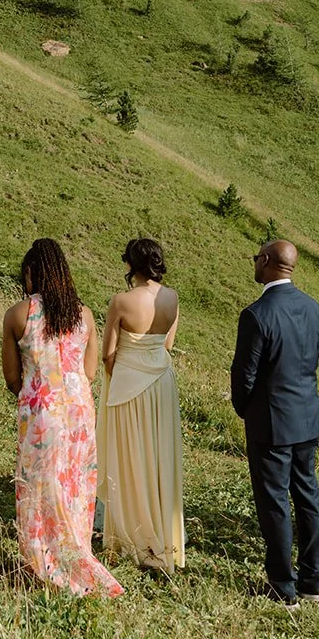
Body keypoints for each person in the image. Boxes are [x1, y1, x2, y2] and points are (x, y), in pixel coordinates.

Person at [1, 238, 122, 598]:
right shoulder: (82, 315)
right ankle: (76, 553)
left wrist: (35, 393)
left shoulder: (18, 313)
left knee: (40, 488)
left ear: (30, 273)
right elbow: (88, 369)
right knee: (74, 485)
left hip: (43, 411)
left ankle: (46, 563)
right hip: (80, 412)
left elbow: (11, 378)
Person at [231, 239, 319, 605]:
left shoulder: (256, 314)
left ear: (268, 261)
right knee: (308, 497)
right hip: (307, 416)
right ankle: (313, 580)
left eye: (256, 258)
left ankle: (282, 585)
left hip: (271, 422)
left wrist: (245, 409)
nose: (254, 263)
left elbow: (244, 376)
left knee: (273, 502)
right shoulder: (314, 308)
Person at [97, 237, 184, 573]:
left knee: (128, 458)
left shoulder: (121, 301)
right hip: (161, 384)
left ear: (130, 264)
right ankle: (161, 535)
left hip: (128, 385)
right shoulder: (172, 298)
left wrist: (120, 375)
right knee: (158, 456)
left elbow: (108, 354)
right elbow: (168, 343)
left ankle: (127, 535)